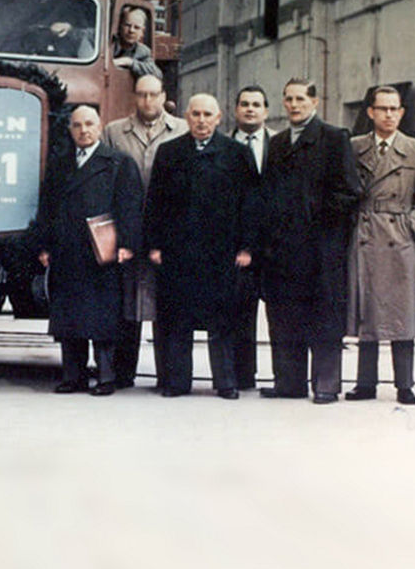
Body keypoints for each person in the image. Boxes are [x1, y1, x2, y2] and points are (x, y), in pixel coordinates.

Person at [145, 94, 256, 399]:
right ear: (187, 117)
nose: (202, 120)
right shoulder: (169, 152)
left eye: (208, 114)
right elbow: (155, 202)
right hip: (178, 251)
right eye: (196, 114)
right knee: (177, 318)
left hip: (221, 252)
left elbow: (250, 204)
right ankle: (177, 382)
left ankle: (226, 382)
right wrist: (154, 245)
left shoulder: (237, 153)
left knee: (223, 320)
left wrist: (246, 247)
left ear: (219, 118)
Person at [259, 78, 361, 403]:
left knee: (325, 316)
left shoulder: (334, 138)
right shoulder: (277, 143)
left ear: (314, 102)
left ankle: (326, 384)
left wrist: (316, 219)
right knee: (284, 315)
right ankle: (289, 383)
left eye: (301, 99)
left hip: (321, 248)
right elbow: (268, 193)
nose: (294, 105)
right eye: (289, 99)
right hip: (284, 249)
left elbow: (350, 192)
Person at [36, 106, 142, 396]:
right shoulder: (60, 164)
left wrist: (127, 244)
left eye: (89, 124)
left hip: (102, 253)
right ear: (70, 129)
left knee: (102, 319)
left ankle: (106, 377)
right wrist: (44, 245)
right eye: (77, 125)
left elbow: (130, 207)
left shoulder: (118, 162)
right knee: (69, 317)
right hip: (67, 251)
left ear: (100, 126)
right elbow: (46, 208)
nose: (83, 130)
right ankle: (74, 377)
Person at [346, 86, 415, 405]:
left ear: (401, 112)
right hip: (365, 234)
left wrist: (410, 227)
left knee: (402, 312)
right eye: (382, 109)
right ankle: (365, 383)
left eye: (394, 109)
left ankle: (405, 384)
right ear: (370, 112)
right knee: (367, 311)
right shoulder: (355, 146)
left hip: (398, 239)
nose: (388, 115)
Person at [102, 74, 188, 388]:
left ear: (164, 95)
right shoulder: (114, 132)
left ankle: (168, 377)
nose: (147, 101)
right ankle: (123, 373)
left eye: (153, 94)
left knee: (166, 303)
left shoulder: (182, 130)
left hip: (167, 231)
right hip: (127, 227)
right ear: (134, 97)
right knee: (125, 302)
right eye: (141, 94)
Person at [230, 84, 272, 389]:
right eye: (245, 104)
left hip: (272, 244)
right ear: (235, 110)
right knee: (239, 311)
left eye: (256, 104)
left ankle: (286, 377)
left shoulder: (279, 145)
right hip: (236, 245)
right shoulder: (224, 145)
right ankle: (241, 376)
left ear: (266, 111)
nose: (250, 109)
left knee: (279, 312)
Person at [111, 6, 161, 81]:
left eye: (136, 27)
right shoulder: (109, 44)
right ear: (120, 26)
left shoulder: (143, 52)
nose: (131, 30)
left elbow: (156, 74)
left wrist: (129, 62)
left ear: (142, 32)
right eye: (127, 25)